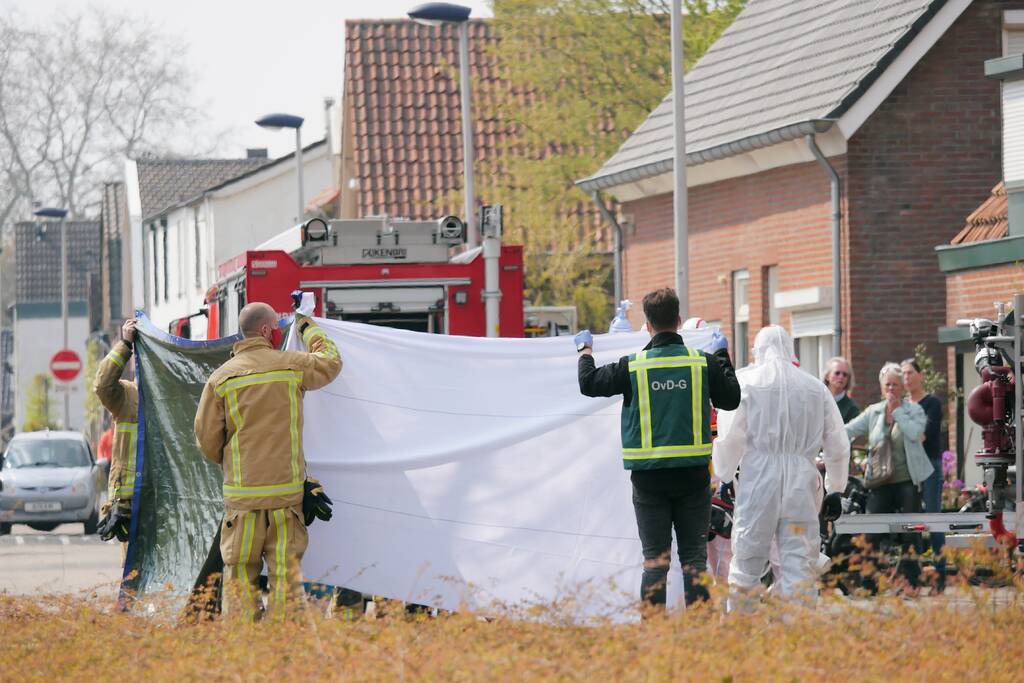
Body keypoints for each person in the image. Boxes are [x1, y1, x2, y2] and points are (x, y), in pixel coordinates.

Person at [576, 287, 740, 610]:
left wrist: (584, 350)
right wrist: (722, 354)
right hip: (693, 479)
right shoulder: (702, 363)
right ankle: (700, 634)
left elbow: (589, 383)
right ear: (679, 321)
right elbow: (731, 398)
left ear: (648, 325)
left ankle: (654, 637)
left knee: (654, 562)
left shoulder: (633, 367)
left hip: (649, 480)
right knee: (694, 560)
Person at [194, 301, 341, 621]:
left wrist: (235, 462)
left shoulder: (221, 379)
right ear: (264, 331)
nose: (277, 333)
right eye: (275, 328)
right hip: (285, 502)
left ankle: (244, 659)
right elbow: (331, 362)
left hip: (241, 503)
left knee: (240, 586)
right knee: (286, 584)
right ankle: (281, 657)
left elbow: (206, 440)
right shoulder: (290, 366)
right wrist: (306, 327)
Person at [712, 326, 849, 610]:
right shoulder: (815, 387)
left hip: (759, 478)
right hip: (801, 480)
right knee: (799, 563)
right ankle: (795, 634)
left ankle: (742, 629)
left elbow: (730, 435)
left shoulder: (747, 382)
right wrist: (836, 487)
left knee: (747, 561)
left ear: (758, 351)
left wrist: (725, 474)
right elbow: (837, 442)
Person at [844, 363, 934, 591]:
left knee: (910, 533)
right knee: (872, 530)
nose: (891, 389)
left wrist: (897, 413)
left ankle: (911, 582)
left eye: (895, 384)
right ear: (881, 387)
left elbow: (916, 435)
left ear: (902, 387)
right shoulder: (873, 411)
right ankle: (868, 582)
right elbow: (848, 431)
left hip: (906, 480)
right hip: (880, 481)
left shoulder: (914, 410)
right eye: (888, 385)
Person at [93, 319, 140, 546]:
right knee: (134, 574)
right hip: (129, 505)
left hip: (165, 500)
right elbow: (103, 385)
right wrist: (124, 345)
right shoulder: (128, 397)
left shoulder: (173, 398)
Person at [901, 358, 946, 571]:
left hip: (930, 467)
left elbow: (922, 436)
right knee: (912, 521)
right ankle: (914, 572)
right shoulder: (902, 405)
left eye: (910, 372)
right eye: (903, 374)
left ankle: (940, 572)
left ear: (921, 375)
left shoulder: (932, 403)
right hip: (908, 468)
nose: (906, 377)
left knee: (933, 519)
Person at [823, 356, 860, 424]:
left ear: (848, 379)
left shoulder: (852, 408)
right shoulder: (817, 401)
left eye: (845, 374)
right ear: (827, 376)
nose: (841, 377)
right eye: (837, 373)